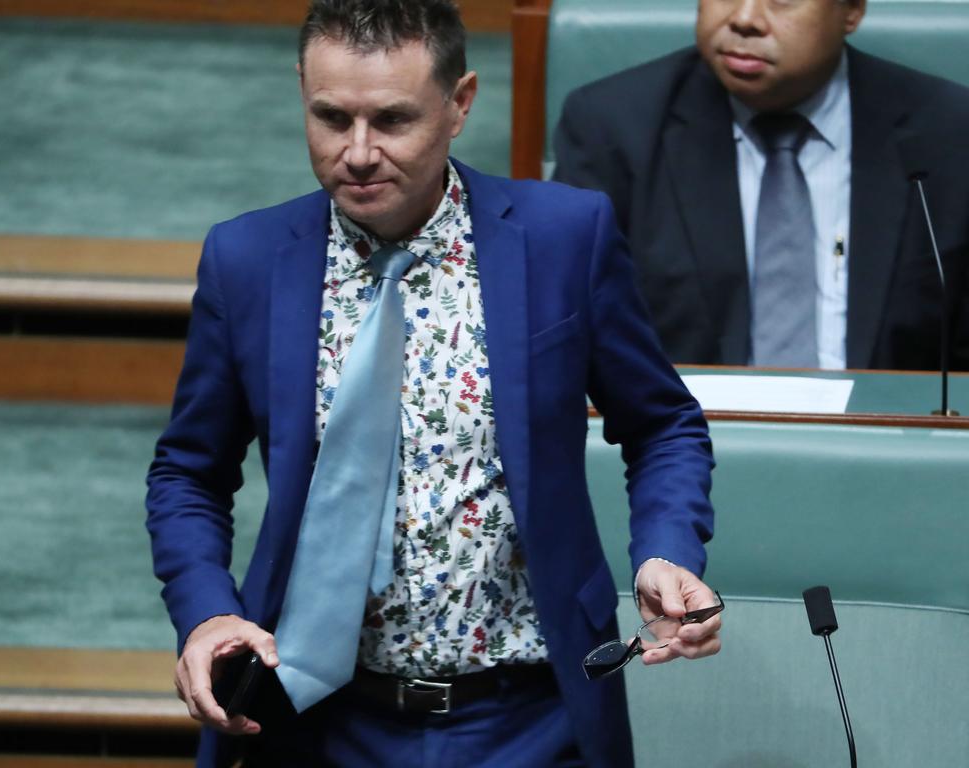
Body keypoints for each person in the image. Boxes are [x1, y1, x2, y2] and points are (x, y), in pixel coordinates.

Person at [147, 2, 720, 766]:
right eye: (329, 117)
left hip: (531, 716)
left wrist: (665, 549)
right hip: (321, 719)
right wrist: (206, 614)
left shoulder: (562, 239)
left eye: (391, 120)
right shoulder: (247, 260)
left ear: (460, 104)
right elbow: (188, 471)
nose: (357, 153)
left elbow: (662, 426)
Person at [554, 0, 969, 370]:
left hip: (893, 436)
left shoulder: (948, 133)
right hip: (683, 437)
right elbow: (564, 325)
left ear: (852, 11)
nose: (744, 18)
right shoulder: (613, 127)